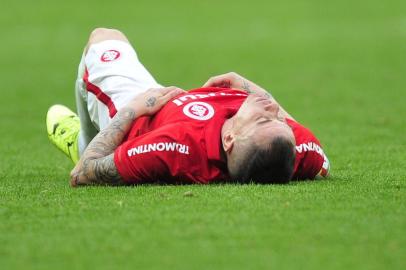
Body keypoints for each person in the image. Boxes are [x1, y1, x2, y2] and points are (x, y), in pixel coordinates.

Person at [46, 28, 330, 187]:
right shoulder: (290, 150)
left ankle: (85, 138)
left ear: (229, 140)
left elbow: (83, 174)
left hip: (143, 112)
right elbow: (323, 163)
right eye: (281, 120)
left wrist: (134, 108)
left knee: (103, 37)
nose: (270, 109)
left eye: (264, 121)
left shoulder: (172, 147)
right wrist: (245, 85)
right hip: (176, 101)